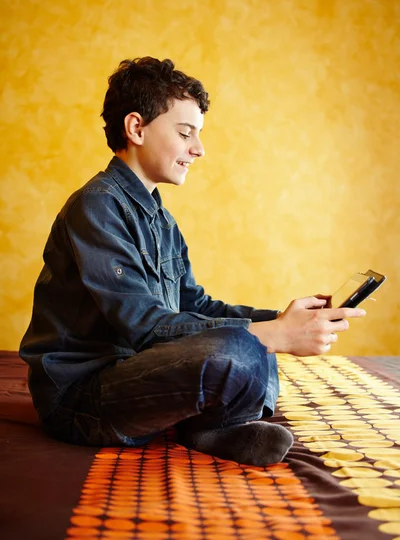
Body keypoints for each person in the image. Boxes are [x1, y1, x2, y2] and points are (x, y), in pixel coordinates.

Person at [19, 57, 366, 467]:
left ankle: (212, 425)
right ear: (136, 128)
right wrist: (271, 333)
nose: (198, 149)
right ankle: (216, 423)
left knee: (255, 345)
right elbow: (145, 326)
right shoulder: (97, 206)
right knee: (246, 345)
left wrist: (281, 319)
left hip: (136, 376)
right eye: (186, 133)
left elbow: (195, 306)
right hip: (82, 399)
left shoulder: (162, 220)